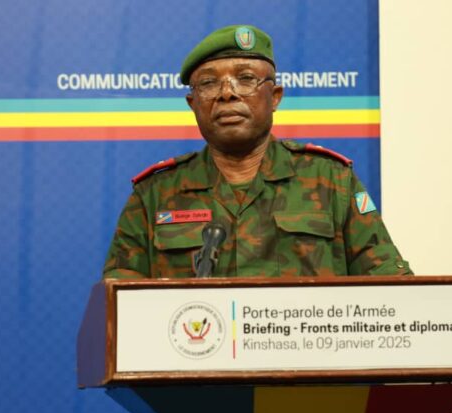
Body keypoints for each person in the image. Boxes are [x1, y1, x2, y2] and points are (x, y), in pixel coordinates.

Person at [103, 24, 411, 281]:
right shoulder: (154, 194)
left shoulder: (332, 182)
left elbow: (393, 288)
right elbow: (116, 307)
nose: (227, 93)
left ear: (275, 97)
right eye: (209, 83)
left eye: (246, 79)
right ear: (192, 104)